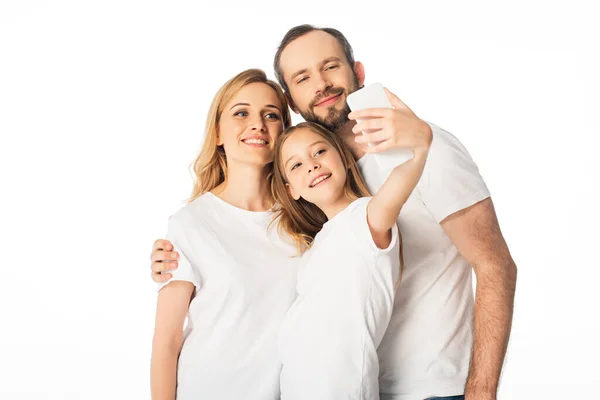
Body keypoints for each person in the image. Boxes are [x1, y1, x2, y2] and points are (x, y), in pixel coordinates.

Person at [152, 25, 518, 400]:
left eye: (331, 67)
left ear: (358, 73)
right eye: (303, 77)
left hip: (433, 389)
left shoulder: (421, 148)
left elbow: (495, 266)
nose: (321, 84)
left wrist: (480, 394)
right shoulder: (312, 199)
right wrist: (179, 255)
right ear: (293, 101)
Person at [150, 69, 299, 400]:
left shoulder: (303, 220)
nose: (257, 124)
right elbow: (167, 342)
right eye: (241, 113)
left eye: (271, 115)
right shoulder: (191, 224)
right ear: (217, 132)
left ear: (284, 132)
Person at [272, 121, 429, 399]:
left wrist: (420, 147)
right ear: (291, 190)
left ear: (343, 158)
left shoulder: (365, 218)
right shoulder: (313, 251)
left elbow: (396, 188)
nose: (311, 165)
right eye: (296, 165)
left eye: (319, 152)